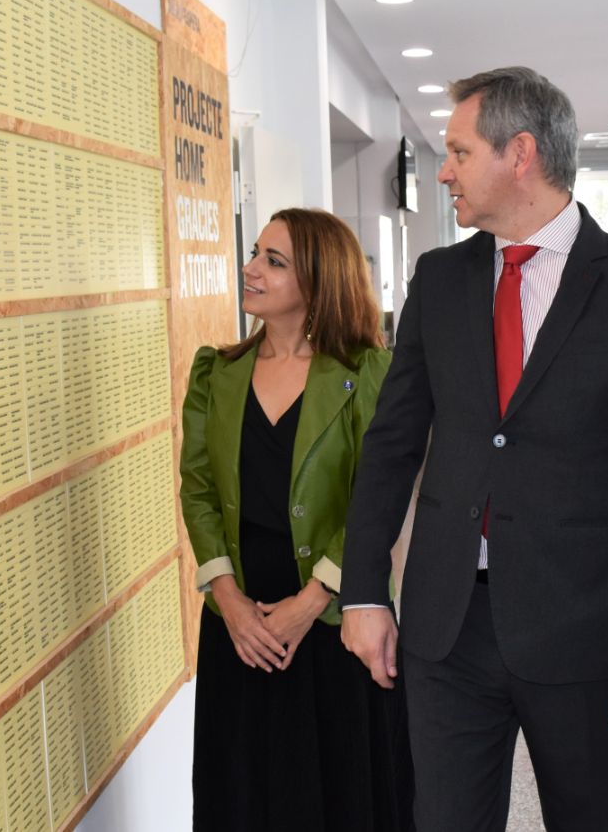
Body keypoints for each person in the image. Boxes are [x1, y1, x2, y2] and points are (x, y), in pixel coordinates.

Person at [337, 67, 608, 832]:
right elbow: (390, 447)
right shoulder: (439, 281)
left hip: (585, 632)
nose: (443, 171)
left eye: (459, 151)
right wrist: (365, 589)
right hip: (446, 628)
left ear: (521, 154)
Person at [179, 207, 412, 832]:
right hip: (241, 626)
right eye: (256, 253)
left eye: (272, 261)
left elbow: (379, 499)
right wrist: (226, 599)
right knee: (246, 793)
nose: (250, 269)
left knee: (340, 794)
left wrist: (310, 602)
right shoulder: (216, 373)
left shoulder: (365, 371)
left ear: (318, 281)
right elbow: (197, 488)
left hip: (337, 622)